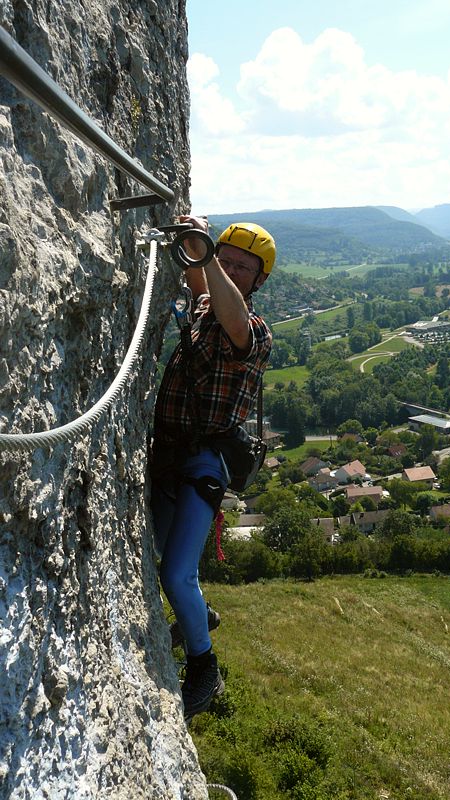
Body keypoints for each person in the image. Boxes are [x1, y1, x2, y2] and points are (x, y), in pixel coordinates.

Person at [150, 215, 275, 720]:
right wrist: (192, 238)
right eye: (228, 260)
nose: (232, 270)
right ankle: (198, 617)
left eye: (244, 268)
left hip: (205, 460)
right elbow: (203, 287)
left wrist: (207, 255)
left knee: (177, 574)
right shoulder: (208, 304)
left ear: (257, 281)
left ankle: (205, 665)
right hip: (169, 453)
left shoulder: (255, 334)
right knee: (159, 559)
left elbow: (233, 319)